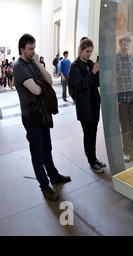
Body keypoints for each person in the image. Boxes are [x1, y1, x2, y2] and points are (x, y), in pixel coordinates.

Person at [13, 33, 71, 201]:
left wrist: (38, 63)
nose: (33, 52)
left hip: (41, 113)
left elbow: (49, 81)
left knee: (47, 147)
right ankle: (44, 186)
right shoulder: (19, 66)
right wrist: (39, 83)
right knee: (37, 152)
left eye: (34, 48)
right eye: (30, 49)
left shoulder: (32, 63)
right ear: (22, 49)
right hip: (30, 116)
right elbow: (37, 90)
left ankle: (53, 175)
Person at [69, 37, 106, 173]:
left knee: (94, 134)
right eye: (87, 51)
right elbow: (82, 84)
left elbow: (95, 83)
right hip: (84, 105)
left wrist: (100, 71)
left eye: (91, 51)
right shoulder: (75, 66)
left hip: (94, 103)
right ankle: (91, 161)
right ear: (80, 50)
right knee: (88, 134)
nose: (89, 54)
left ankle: (94, 158)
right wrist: (93, 72)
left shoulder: (90, 63)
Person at [116, 35, 133, 162]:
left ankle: (132, 148)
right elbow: (112, 80)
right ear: (120, 44)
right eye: (123, 44)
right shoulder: (115, 59)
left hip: (132, 97)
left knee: (132, 124)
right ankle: (126, 151)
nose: (125, 46)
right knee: (125, 126)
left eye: (127, 44)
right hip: (121, 99)